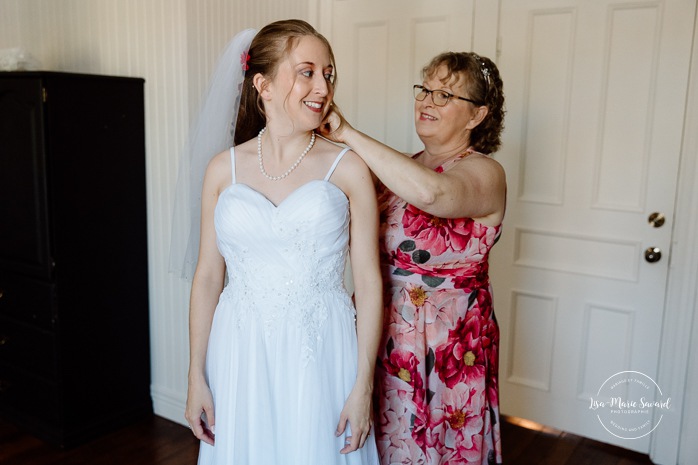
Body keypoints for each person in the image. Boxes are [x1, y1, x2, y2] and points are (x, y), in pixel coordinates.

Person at [181, 20, 382, 465]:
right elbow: (208, 276)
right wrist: (196, 373)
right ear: (263, 85)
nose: (322, 86)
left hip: (322, 351)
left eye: (328, 73)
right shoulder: (222, 169)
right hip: (239, 350)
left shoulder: (348, 169)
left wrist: (362, 385)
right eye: (306, 71)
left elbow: (368, 283)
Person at [319, 51, 506, 464]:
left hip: (449, 346)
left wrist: (348, 132)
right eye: (425, 90)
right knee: (382, 443)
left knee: (441, 448)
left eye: (444, 95)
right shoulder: (400, 167)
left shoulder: (485, 173)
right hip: (381, 332)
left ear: (477, 116)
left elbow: (432, 194)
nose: (426, 102)